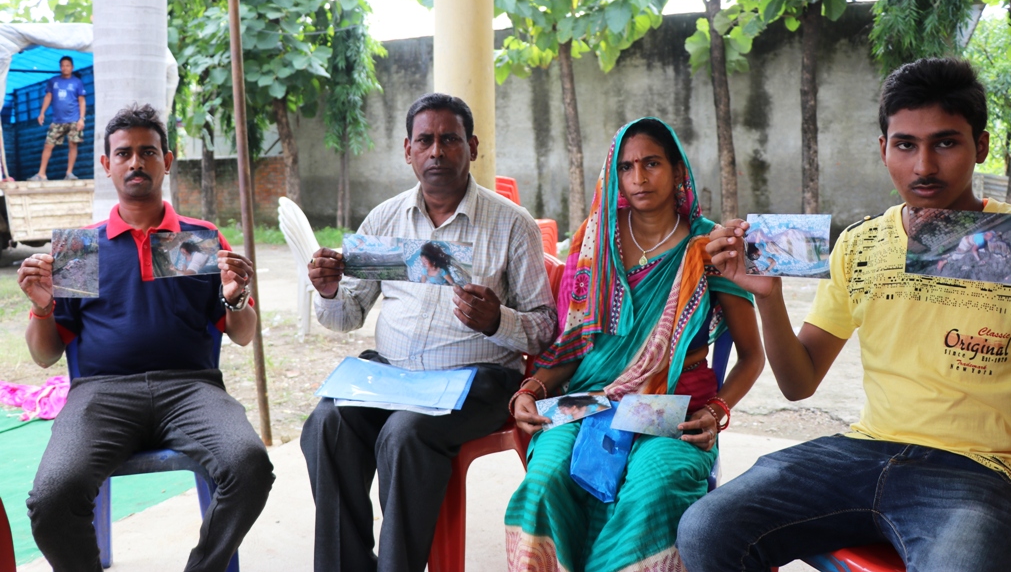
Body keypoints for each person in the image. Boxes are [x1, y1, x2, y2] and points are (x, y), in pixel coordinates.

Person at [677, 57, 1011, 571]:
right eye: (905, 144)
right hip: (860, 452)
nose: (923, 166)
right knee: (707, 528)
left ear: (983, 147)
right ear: (884, 149)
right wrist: (767, 298)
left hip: (981, 471)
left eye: (946, 142)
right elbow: (799, 384)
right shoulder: (861, 244)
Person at [301, 92, 558, 572]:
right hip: (394, 377)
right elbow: (347, 317)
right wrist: (332, 292)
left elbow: (545, 330)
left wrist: (496, 319)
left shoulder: (511, 225)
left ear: (472, 147)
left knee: (405, 433)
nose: (437, 151)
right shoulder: (384, 218)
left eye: (449, 139)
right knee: (326, 424)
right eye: (425, 140)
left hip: (476, 379)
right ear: (408, 150)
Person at [17, 104, 274, 572]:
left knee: (249, 465)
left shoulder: (198, 239)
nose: (136, 162)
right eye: (124, 153)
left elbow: (242, 336)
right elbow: (44, 355)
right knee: (51, 497)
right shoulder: (81, 247)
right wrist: (42, 306)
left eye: (147, 152)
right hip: (101, 394)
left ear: (167, 161)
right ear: (107, 165)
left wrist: (237, 297)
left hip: (192, 389)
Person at [505, 117, 765, 572]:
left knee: (654, 488)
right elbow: (572, 346)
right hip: (587, 400)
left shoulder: (708, 247)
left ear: (678, 170)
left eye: (651, 164)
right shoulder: (594, 241)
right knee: (543, 482)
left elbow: (752, 357)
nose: (639, 178)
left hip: (673, 408)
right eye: (626, 167)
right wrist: (532, 391)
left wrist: (715, 412)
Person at [30, 55, 87, 181]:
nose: (65, 68)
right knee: (48, 145)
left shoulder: (77, 82)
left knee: (73, 145)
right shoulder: (53, 81)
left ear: (72, 67)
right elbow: (48, 97)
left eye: (67, 65)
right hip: (57, 120)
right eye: (62, 66)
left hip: (74, 119)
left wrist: (82, 119)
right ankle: (41, 174)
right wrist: (42, 113)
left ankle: (69, 173)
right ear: (60, 67)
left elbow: (82, 101)